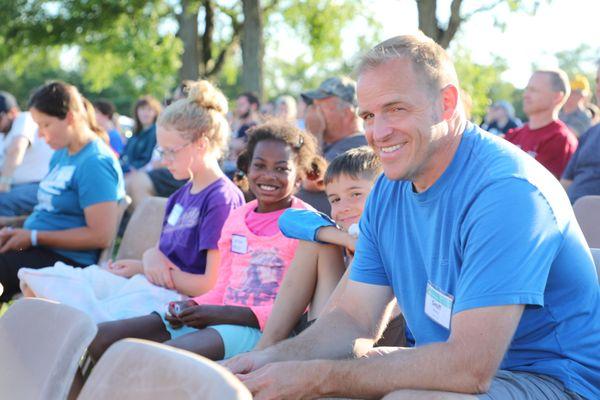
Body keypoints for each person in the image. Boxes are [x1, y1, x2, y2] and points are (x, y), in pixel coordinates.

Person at [225, 35, 600, 400]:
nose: (377, 132)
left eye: (396, 108)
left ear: (447, 102)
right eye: (369, 115)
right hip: (452, 366)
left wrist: (317, 379)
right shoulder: (389, 190)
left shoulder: (508, 192)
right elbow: (355, 319)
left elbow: (469, 368)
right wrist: (267, 359)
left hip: (553, 379)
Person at [86, 120, 322, 365]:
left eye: (281, 169)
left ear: (299, 176)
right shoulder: (237, 218)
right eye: (259, 165)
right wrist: (192, 305)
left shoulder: (306, 226)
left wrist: (219, 313)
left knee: (160, 358)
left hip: (263, 332)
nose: (268, 176)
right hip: (220, 318)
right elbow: (222, 288)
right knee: (101, 337)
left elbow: (298, 310)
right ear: (247, 168)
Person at [19, 81, 245, 319]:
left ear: (202, 144)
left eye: (171, 151)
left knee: (81, 314)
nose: (163, 160)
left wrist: (150, 269)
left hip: (181, 302)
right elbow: (162, 253)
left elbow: (211, 284)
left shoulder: (221, 199)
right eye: (161, 151)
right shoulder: (180, 195)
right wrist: (144, 261)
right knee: (41, 282)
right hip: (154, 285)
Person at [0, 81, 125, 302]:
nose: (39, 135)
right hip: (38, 249)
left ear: (69, 117)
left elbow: (101, 236)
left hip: (65, 262)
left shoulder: (95, 162)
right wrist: (13, 224)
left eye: (45, 125)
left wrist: (33, 237)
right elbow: (51, 212)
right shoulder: (61, 154)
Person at [255, 146, 385, 349]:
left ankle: (286, 353)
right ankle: (265, 346)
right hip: (328, 327)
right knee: (316, 243)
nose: (343, 207)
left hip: (371, 339)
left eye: (355, 194)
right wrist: (346, 240)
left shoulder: (392, 233)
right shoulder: (345, 236)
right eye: (335, 200)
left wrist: (364, 245)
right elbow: (288, 219)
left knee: (365, 249)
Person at [299, 76, 368, 214]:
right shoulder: (331, 144)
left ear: (348, 113)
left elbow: (312, 181)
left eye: (320, 108)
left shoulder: (357, 146)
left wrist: (314, 135)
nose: (314, 113)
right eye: (313, 106)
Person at [505, 69, 578, 179]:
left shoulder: (561, 140)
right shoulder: (513, 134)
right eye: (527, 89)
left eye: (533, 90)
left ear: (557, 97)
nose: (525, 95)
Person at [0, 91, 53, 216]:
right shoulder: (3, 134)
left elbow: (17, 149)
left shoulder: (25, 119)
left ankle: (10, 234)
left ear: (12, 113)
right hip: (18, 186)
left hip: (41, 185)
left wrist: (4, 182)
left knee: (3, 201)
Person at [560, 63, 600, 203]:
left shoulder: (583, 118)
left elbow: (565, 136)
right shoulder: (591, 133)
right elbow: (566, 181)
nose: (599, 88)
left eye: (576, 93)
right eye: (597, 81)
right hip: (571, 213)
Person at [119, 95, 161, 174]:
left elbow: (147, 159)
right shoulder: (135, 133)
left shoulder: (156, 132)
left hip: (141, 175)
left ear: (155, 113)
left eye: (149, 110)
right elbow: (125, 154)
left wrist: (131, 169)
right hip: (126, 171)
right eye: (142, 109)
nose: (145, 113)